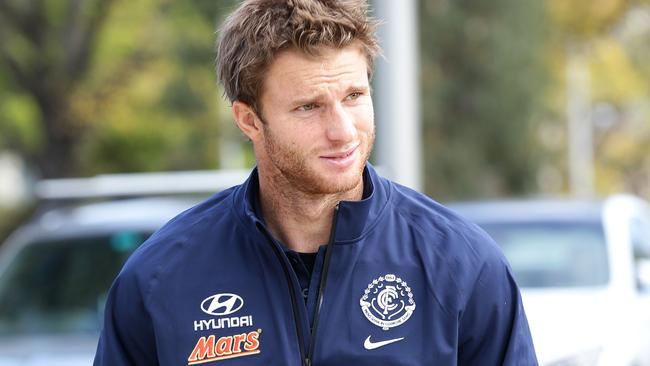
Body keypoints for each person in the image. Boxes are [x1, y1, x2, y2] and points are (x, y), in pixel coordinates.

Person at [94, 0, 538, 365]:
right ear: (250, 120)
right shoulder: (160, 279)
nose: (343, 130)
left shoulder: (461, 265)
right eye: (309, 107)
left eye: (354, 97)